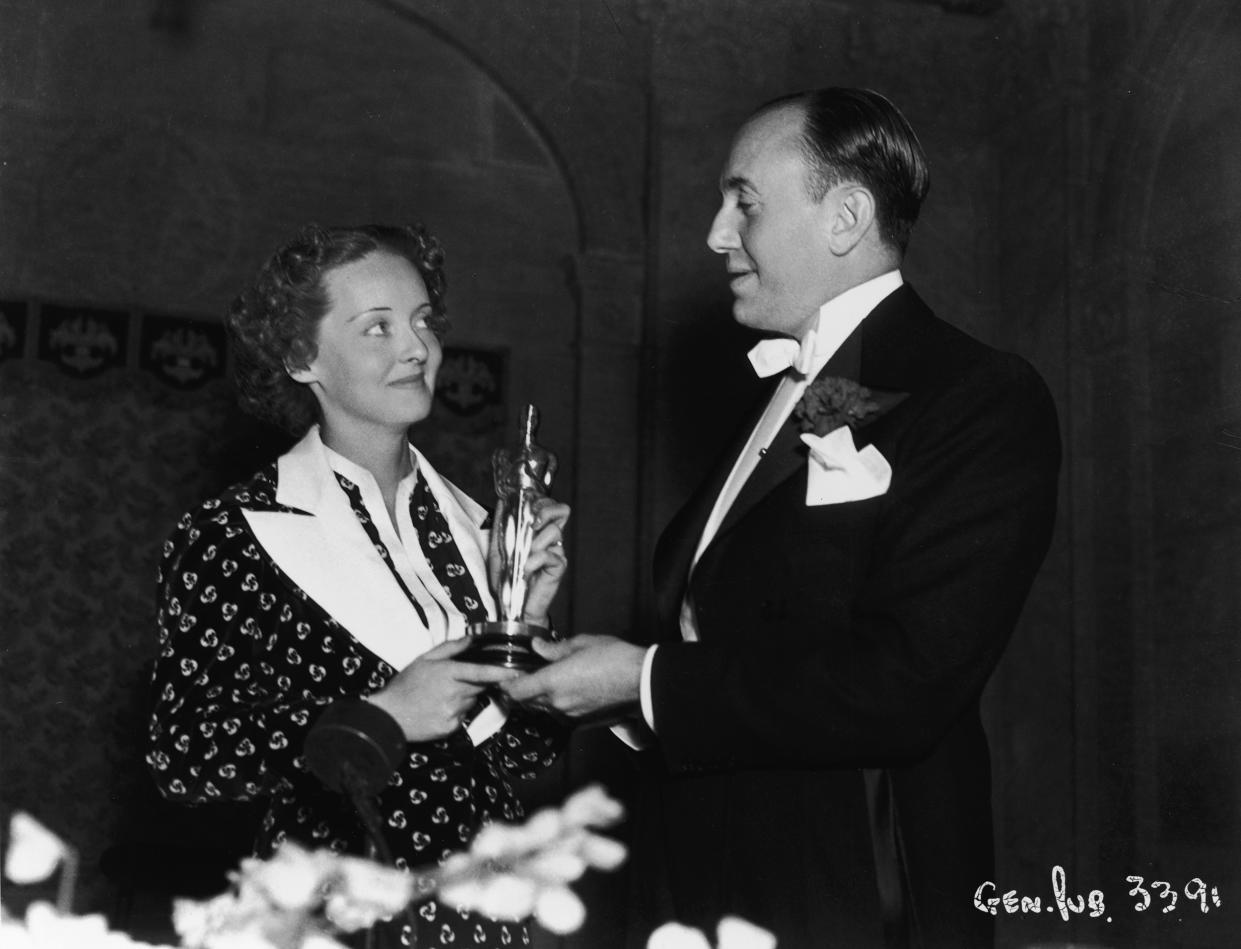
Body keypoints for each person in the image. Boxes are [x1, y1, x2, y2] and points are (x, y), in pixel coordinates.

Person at [503, 88, 1061, 949]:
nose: (716, 234)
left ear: (844, 217)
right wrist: (606, 686)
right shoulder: (789, 394)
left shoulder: (977, 395)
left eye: (744, 204)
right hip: (698, 888)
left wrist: (645, 680)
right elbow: (733, 642)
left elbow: (904, 683)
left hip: (848, 899)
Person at [146, 223, 570, 948]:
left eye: (423, 321)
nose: (417, 348)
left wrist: (522, 628)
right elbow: (183, 754)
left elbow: (522, 758)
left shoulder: (479, 526)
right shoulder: (234, 531)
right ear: (302, 356)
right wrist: (379, 716)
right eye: (378, 327)